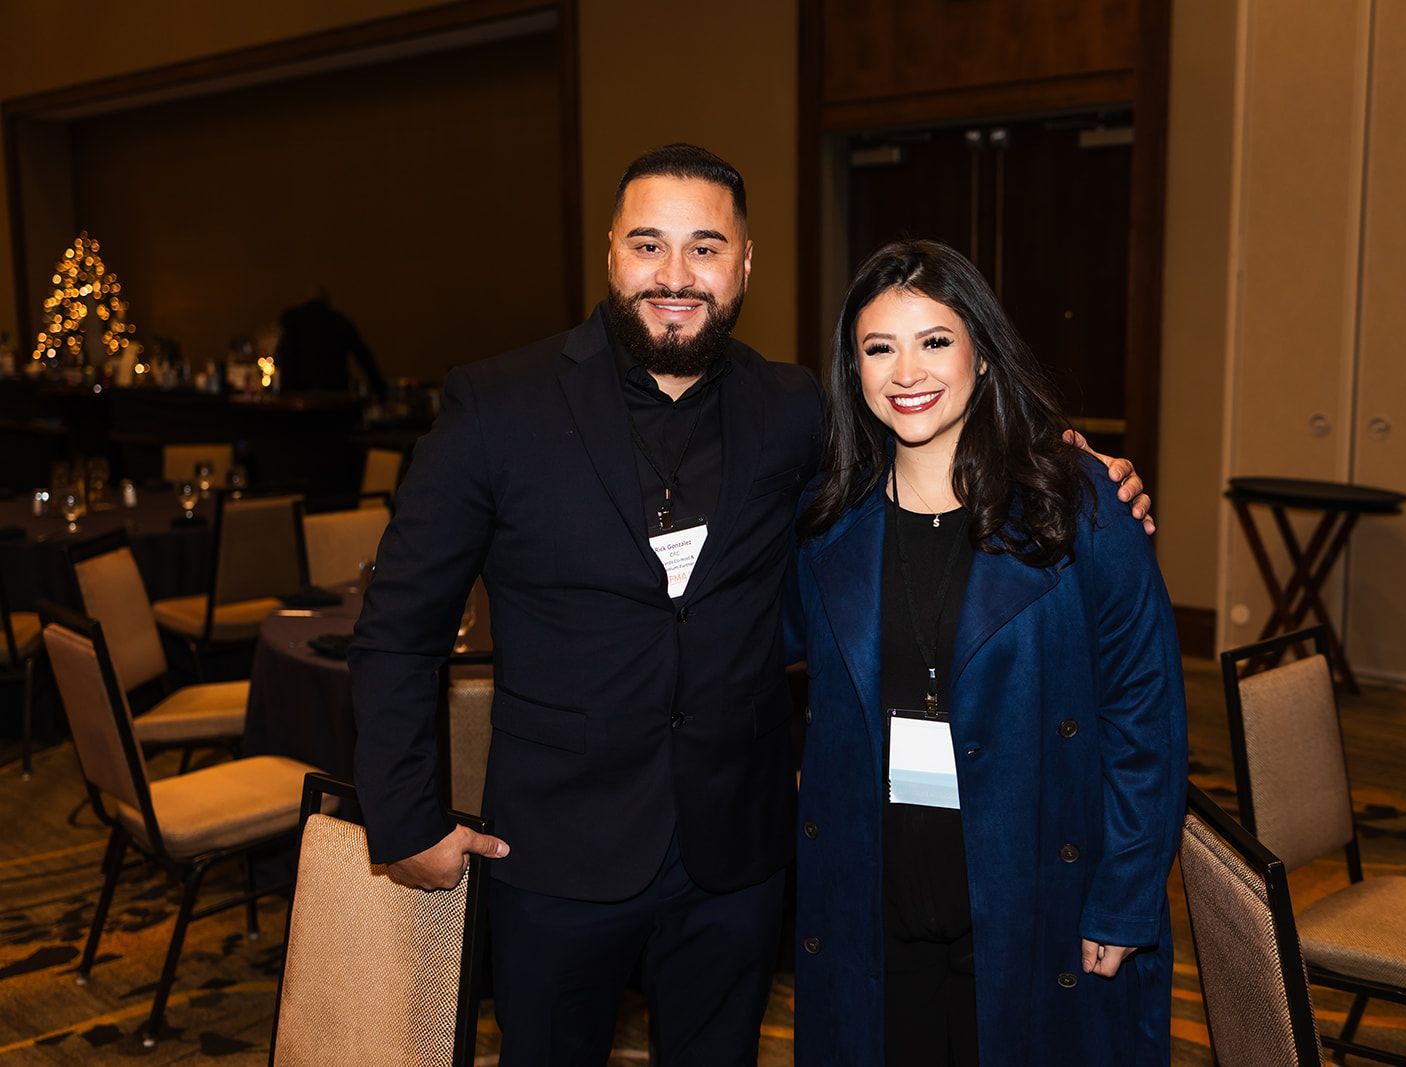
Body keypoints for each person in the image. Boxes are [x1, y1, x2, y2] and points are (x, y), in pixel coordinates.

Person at [350, 146, 1153, 1066]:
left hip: (736, 854)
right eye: (649, 245)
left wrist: (1066, 461)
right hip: (558, 850)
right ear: (611, 251)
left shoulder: (792, 408)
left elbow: (926, 425)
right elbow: (399, 628)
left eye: (705, 247)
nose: (675, 274)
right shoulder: (498, 404)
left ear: (744, 264)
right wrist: (407, 815)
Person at [789, 240, 1186, 1066]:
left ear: (981, 351)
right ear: (853, 369)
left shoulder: (1081, 506)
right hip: (878, 902)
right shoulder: (827, 522)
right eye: (879, 347)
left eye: (935, 340)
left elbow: (1144, 718)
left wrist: (1124, 897)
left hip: (1035, 897)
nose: (907, 372)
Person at [274, 287, 387, 395]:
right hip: (334, 393)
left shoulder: (291, 320)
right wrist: (380, 388)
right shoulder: (339, 321)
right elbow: (363, 356)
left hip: (297, 395)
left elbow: (281, 352)